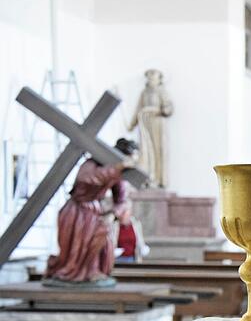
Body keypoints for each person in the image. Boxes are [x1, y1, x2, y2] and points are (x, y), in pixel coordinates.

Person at [44, 138, 139, 286]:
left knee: (103, 241)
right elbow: (90, 179)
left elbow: (122, 199)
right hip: (77, 211)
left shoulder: (117, 173)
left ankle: (95, 271)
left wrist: (114, 213)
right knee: (79, 247)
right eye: (130, 159)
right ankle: (79, 273)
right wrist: (117, 168)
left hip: (95, 211)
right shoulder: (91, 164)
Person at [129, 69, 173, 188]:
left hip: (158, 124)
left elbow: (168, 108)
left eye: (154, 76)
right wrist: (132, 124)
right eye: (149, 76)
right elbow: (138, 109)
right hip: (145, 124)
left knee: (158, 150)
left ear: (159, 78)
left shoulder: (162, 91)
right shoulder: (144, 92)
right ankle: (149, 176)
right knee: (147, 151)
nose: (151, 78)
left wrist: (157, 110)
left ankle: (159, 179)